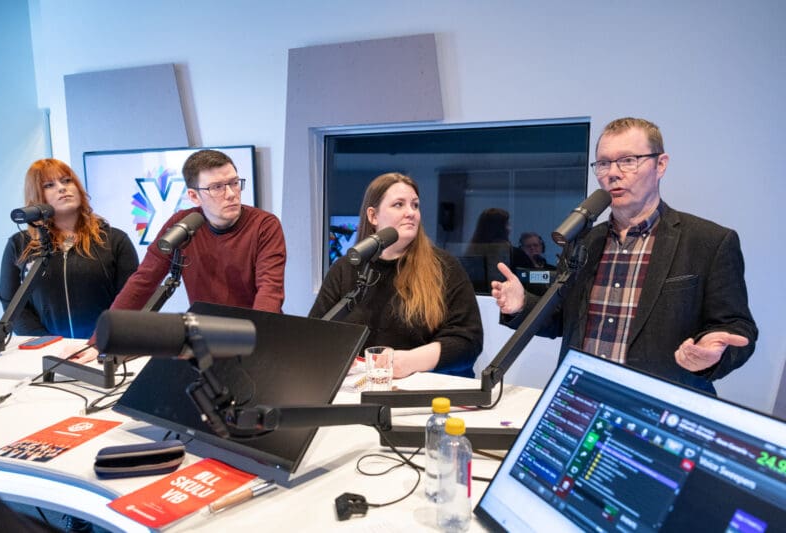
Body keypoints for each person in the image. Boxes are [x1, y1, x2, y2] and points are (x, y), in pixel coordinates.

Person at [491, 117, 757, 393]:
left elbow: (736, 327)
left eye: (628, 161)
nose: (612, 173)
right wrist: (522, 305)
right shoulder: (584, 241)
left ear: (660, 165)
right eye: (603, 163)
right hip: (579, 395)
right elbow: (562, 320)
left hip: (655, 404)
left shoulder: (709, 242)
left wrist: (713, 353)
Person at [75, 149, 286, 362]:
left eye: (234, 183)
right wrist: (99, 342)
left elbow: (270, 291)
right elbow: (142, 282)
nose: (231, 193)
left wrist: (254, 346)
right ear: (194, 196)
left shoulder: (264, 225)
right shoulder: (182, 225)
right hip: (206, 341)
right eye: (217, 187)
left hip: (255, 340)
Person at [309, 172, 483, 378]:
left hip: (428, 388)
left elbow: (468, 342)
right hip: (364, 385)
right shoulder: (345, 268)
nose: (411, 213)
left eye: (415, 205)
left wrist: (410, 361)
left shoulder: (444, 267)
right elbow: (316, 333)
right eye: (399, 205)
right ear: (373, 216)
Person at [0, 159, 139, 339]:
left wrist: (101, 342)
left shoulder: (115, 240)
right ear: (36, 197)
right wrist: (46, 343)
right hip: (44, 350)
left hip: (104, 346)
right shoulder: (19, 245)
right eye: (49, 185)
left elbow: (132, 300)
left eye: (66, 181)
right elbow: (12, 304)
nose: (62, 188)